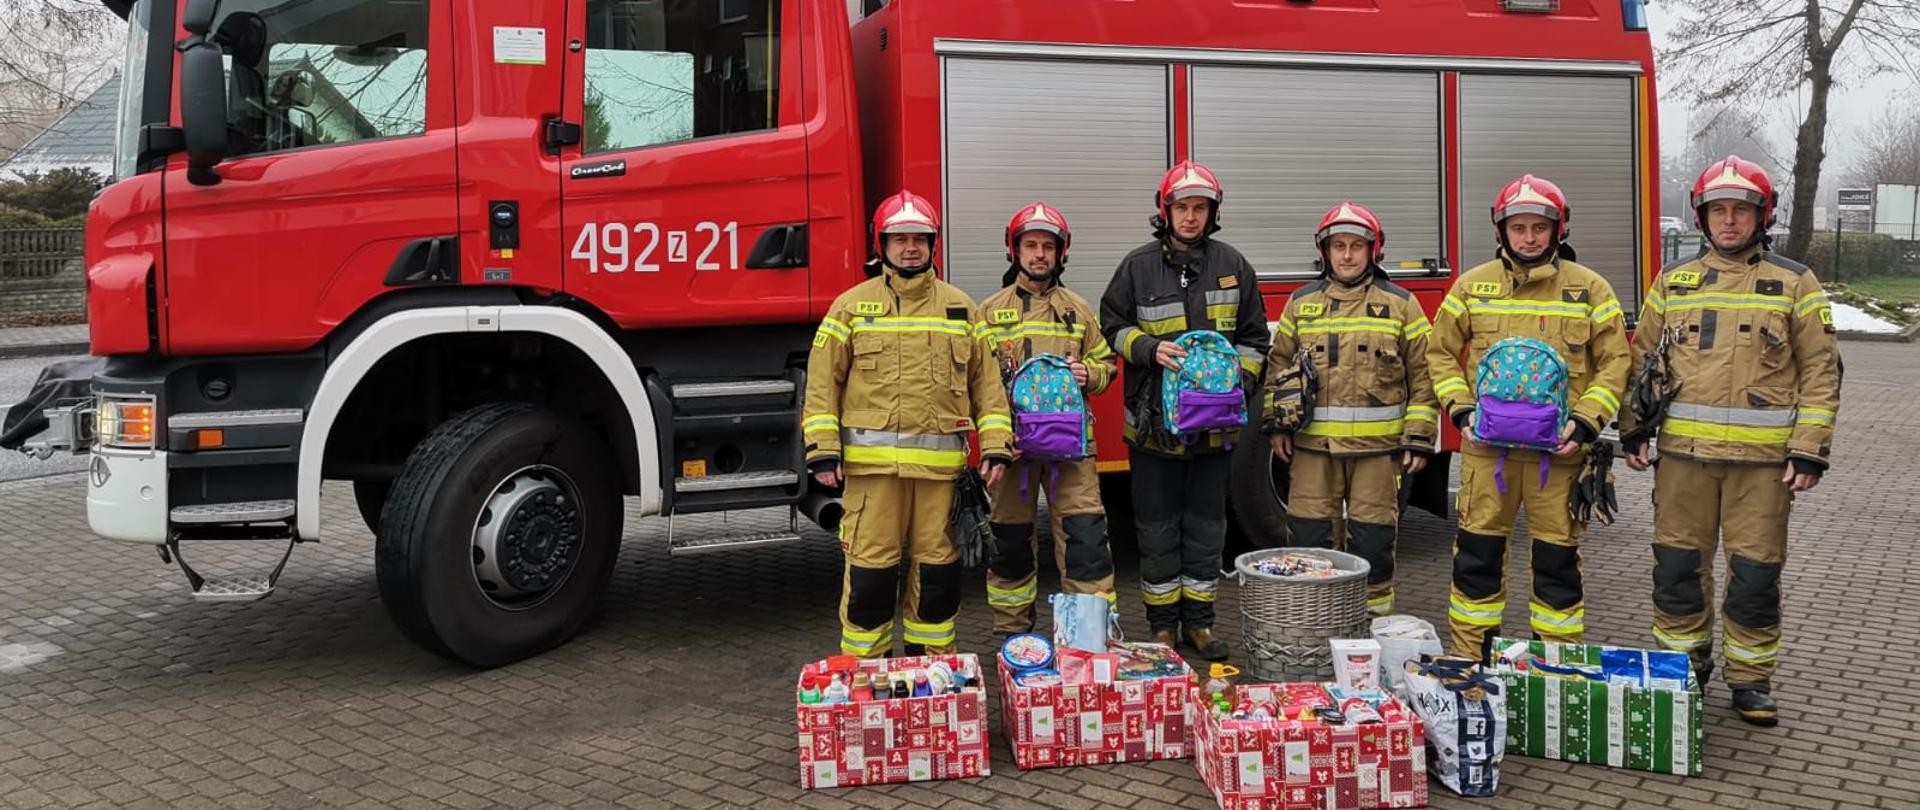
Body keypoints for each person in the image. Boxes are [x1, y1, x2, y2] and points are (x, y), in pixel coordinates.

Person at [1617, 156, 1841, 726]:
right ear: (1703, 216)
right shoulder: (1673, 282)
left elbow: (1821, 370)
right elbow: (1644, 361)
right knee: (1676, 568)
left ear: (1760, 216)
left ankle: (1750, 680)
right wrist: (1635, 428)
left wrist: (1809, 448)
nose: (1730, 221)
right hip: (1683, 462)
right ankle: (1682, 669)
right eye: (1719, 210)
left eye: (1741, 210)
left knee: (1756, 574)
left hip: (1762, 468)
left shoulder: (1795, 282)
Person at [1426, 174, 1629, 662]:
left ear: (1558, 230)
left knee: (1557, 566)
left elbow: (1617, 362)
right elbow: (1439, 354)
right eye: (1519, 227)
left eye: (1540, 227)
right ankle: (1472, 663)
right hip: (1486, 455)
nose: (1529, 237)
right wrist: (1462, 410)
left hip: (1557, 459)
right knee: (1476, 560)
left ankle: (1555, 666)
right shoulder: (1472, 286)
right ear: (1501, 231)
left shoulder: (1590, 290)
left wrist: (1584, 424)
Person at [801, 190, 1012, 658]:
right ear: (882, 245)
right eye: (900, 239)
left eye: (920, 238)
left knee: (939, 579)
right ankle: (867, 671)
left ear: (933, 244)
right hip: (873, 478)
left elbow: (987, 386)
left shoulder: (961, 309)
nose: (910, 247)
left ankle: (931, 675)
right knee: (870, 579)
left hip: (939, 479)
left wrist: (996, 444)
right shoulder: (851, 308)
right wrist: (822, 450)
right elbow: (821, 387)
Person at [1099, 161, 1270, 660]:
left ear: (1212, 212)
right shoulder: (1137, 266)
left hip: (1213, 432)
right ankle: (1161, 626)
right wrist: (1149, 350)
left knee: (1205, 528)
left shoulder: (1234, 265)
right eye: (1182, 208)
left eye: (1199, 208)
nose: (1190, 217)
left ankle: (1200, 624)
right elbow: (1110, 325)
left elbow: (1256, 340)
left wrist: (1235, 382)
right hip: (1153, 431)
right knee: (1155, 529)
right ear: (1165, 211)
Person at [1262, 202, 1439, 617]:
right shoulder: (1301, 303)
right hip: (1312, 450)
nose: (1346, 255)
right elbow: (1278, 367)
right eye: (1337, 246)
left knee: (1374, 543)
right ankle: (1313, 626)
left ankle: (1371, 625)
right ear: (1324, 251)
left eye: (1356, 246)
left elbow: (1425, 375)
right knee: (1307, 542)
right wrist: (1277, 426)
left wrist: (1417, 437)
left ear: (1373, 250)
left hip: (1377, 453)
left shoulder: (1402, 305)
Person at [978, 201, 1119, 636]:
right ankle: (1013, 639)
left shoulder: (1077, 309)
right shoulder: (989, 313)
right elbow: (978, 385)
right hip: (1013, 454)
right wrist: (996, 446)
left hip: (1073, 453)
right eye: (1031, 245)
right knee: (1010, 545)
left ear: (1061, 254)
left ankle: (1087, 639)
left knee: (1086, 544)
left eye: (1047, 247)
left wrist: (1089, 373)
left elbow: (1106, 365)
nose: (1039, 254)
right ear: (1014, 251)